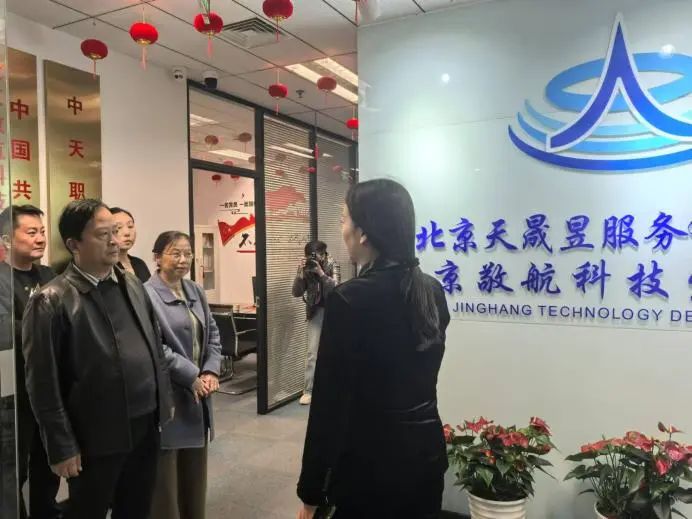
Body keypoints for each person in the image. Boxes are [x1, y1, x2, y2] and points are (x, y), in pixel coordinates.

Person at [296, 179, 450, 519]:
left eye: (344, 219)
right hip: (425, 460)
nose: (343, 230)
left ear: (363, 232)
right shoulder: (432, 290)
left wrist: (310, 493)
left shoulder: (349, 300)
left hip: (370, 470)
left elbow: (329, 407)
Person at [22, 199, 173, 519]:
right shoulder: (52, 300)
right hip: (95, 434)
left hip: (145, 424)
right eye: (103, 234)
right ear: (74, 244)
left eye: (115, 232)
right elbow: (42, 383)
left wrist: (164, 402)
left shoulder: (131, 283)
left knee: (136, 508)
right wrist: (61, 445)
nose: (115, 241)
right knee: (88, 511)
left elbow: (154, 346)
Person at [145, 231, 222, 519]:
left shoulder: (195, 290)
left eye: (187, 253)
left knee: (194, 475)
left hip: (199, 394)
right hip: (170, 396)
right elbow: (156, 347)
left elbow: (212, 332)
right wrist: (191, 375)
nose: (183, 259)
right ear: (157, 257)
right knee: (166, 479)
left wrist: (211, 369)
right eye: (175, 253)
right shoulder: (147, 294)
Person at [0, 206, 60, 519]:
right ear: (7, 240)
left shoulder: (49, 276)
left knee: (48, 466)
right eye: (31, 232)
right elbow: (8, 332)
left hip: (49, 389)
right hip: (14, 395)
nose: (40, 238)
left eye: (42, 232)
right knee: (14, 470)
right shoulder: (1, 279)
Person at [292, 241, 339, 406]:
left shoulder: (333, 264)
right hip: (315, 311)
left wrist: (321, 273)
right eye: (309, 256)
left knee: (334, 351)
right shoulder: (306, 268)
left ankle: (333, 388)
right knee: (312, 353)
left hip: (333, 312)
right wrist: (300, 274)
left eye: (315, 256)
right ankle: (309, 390)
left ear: (323, 254)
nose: (313, 259)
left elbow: (336, 289)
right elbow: (296, 293)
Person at [110, 207, 151, 283]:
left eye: (130, 226)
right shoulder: (106, 267)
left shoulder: (139, 263)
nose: (127, 233)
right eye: (119, 227)